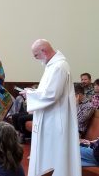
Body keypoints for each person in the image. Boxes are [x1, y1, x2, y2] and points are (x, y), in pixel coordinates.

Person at [20, 39, 81, 176]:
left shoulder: (59, 66)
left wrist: (30, 94)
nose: (35, 59)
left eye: (36, 55)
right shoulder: (52, 66)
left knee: (53, 156)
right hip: (50, 118)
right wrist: (33, 92)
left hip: (55, 122)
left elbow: (52, 94)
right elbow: (48, 91)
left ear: (44, 51)